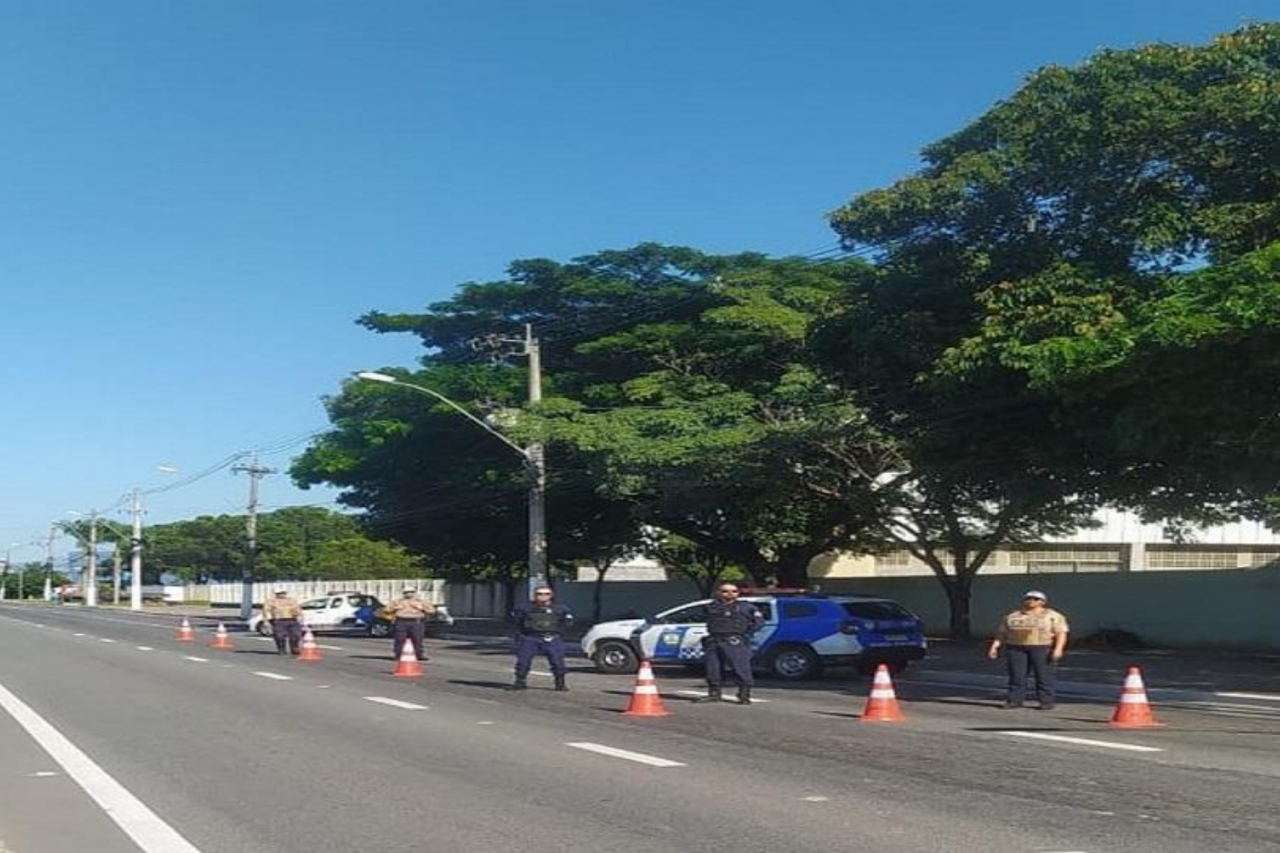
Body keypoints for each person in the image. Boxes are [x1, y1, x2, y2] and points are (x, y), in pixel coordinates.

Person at [987, 589, 1070, 710]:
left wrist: (1058, 649)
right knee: (1017, 675)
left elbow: (1061, 633)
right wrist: (995, 646)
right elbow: (1002, 633)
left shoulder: (1053, 615)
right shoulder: (1013, 616)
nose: (1031, 601)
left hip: (1041, 647)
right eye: (1028, 598)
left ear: (1043, 602)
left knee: (1043, 676)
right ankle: (1014, 700)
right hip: (1016, 647)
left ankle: (1046, 701)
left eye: (1035, 599)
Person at [697, 583, 764, 705]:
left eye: (733, 591)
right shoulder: (711, 607)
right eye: (725, 591)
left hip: (734, 640)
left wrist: (745, 632)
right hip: (714, 640)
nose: (730, 594)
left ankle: (744, 695)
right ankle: (714, 694)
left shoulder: (746, 607)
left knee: (741, 667)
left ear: (738, 593)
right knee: (713, 668)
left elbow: (759, 623)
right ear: (718, 592)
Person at [508, 586, 574, 691]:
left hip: (552, 638)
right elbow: (516, 622)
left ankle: (560, 683)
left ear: (551, 595)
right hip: (530, 638)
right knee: (523, 661)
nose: (543, 596)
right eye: (540, 594)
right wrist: (520, 636)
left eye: (546, 594)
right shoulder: (524, 608)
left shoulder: (560, 608)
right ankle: (520, 682)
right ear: (535, 595)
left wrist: (559, 633)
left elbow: (567, 623)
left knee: (557, 661)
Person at [384, 587, 437, 662]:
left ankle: (419, 655)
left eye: (411, 592)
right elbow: (386, 610)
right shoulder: (397, 601)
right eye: (406, 592)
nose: (409, 594)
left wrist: (422, 608)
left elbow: (432, 611)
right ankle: (398, 655)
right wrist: (395, 608)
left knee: (417, 639)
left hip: (416, 621)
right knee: (399, 639)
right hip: (401, 621)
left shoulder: (421, 601)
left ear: (414, 593)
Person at [261, 588, 302, 656]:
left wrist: (300, 616)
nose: (282, 594)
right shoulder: (271, 601)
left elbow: (298, 609)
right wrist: (266, 621)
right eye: (280, 593)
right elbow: (265, 611)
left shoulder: (292, 600)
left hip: (292, 619)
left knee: (296, 635)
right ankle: (281, 649)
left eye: (284, 593)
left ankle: (294, 648)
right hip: (279, 620)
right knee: (279, 636)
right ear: (276, 594)